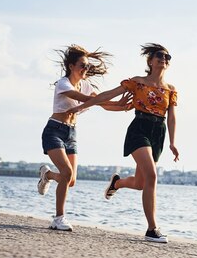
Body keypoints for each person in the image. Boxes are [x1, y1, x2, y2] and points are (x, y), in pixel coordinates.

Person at [67, 43, 179, 243]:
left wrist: (172, 142)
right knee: (152, 176)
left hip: (158, 133)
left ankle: (116, 183)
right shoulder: (137, 82)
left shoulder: (170, 90)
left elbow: (171, 117)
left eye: (167, 57)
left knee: (141, 183)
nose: (164, 59)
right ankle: (152, 229)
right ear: (150, 61)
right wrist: (82, 106)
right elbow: (108, 95)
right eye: (160, 56)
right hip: (139, 129)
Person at [39, 44, 130, 232]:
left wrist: (121, 105)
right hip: (54, 131)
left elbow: (102, 104)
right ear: (71, 66)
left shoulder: (86, 85)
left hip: (71, 134)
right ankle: (58, 219)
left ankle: (47, 175)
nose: (85, 69)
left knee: (70, 180)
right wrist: (116, 95)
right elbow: (89, 100)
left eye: (87, 66)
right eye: (82, 65)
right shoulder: (63, 83)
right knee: (66, 173)